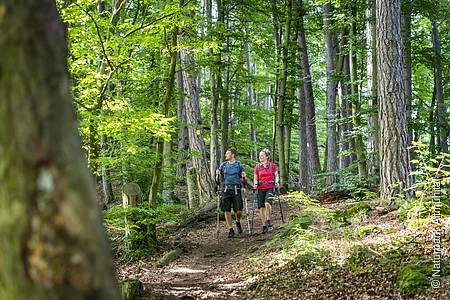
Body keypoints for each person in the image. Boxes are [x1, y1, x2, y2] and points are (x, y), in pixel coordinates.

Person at [216, 148, 246, 238]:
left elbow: (244, 180)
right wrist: (217, 174)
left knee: (239, 210)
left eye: (227, 153)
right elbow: (217, 180)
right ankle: (230, 229)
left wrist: (244, 177)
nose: (226, 155)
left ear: (233, 155)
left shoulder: (239, 165)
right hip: (226, 189)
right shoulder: (223, 165)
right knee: (227, 210)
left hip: (236, 189)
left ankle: (237, 221)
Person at [253, 149, 279, 233]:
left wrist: (276, 181)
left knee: (267, 203)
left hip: (270, 187)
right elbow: (255, 177)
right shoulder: (258, 167)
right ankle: (264, 225)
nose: (260, 157)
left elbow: (276, 176)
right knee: (261, 207)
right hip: (260, 188)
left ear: (267, 157)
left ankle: (268, 219)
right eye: (259, 156)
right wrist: (255, 184)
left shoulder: (272, 166)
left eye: (262, 155)